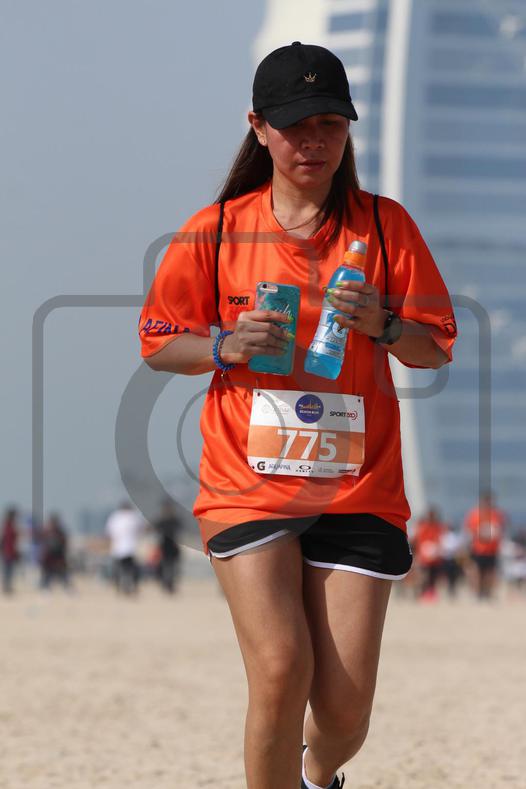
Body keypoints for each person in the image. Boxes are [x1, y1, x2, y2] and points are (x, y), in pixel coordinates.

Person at [140, 42, 457, 789]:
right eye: (295, 126)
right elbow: (158, 344)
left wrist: (384, 324)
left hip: (358, 486)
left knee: (343, 712)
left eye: (329, 124)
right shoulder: (216, 230)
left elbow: (434, 348)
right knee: (281, 669)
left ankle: (315, 776)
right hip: (247, 483)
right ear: (258, 127)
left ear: (348, 129)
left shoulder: (385, 228)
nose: (313, 141)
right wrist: (223, 345)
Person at [464, 491, 507, 600]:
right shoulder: (475, 514)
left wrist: (495, 532)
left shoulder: (497, 514)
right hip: (478, 548)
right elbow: (469, 530)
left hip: (492, 549)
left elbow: (501, 529)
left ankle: (487, 593)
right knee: (475, 572)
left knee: (490, 572)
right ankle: (476, 593)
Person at [105, 501, 144, 595]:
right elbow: (141, 530)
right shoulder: (134, 516)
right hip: (130, 548)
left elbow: (109, 532)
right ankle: (132, 586)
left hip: (118, 548)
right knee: (131, 569)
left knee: (118, 569)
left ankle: (119, 587)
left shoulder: (115, 517)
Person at [412, 507, 446, 601]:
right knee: (423, 577)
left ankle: (430, 594)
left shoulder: (438, 527)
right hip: (424, 557)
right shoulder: (423, 527)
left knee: (433, 577)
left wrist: (438, 550)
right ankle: (420, 593)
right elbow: (417, 541)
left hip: (435, 558)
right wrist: (418, 555)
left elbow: (440, 541)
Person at [153, 498, 182, 593]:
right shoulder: (172, 520)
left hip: (169, 546)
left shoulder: (166, 520)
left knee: (170, 567)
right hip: (167, 546)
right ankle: (168, 585)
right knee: (168, 567)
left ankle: (168, 585)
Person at [40, 513, 70, 590]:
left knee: (63, 575)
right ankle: (45, 587)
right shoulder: (47, 532)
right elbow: (43, 544)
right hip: (49, 558)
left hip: (58, 557)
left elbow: (64, 545)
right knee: (47, 575)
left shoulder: (59, 533)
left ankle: (67, 587)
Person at [1, 508, 19, 595]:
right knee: (8, 571)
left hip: (9, 552)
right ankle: (6, 587)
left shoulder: (8, 525)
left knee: (9, 571)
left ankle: (7, 586)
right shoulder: (8, 526)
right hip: (8, 552)